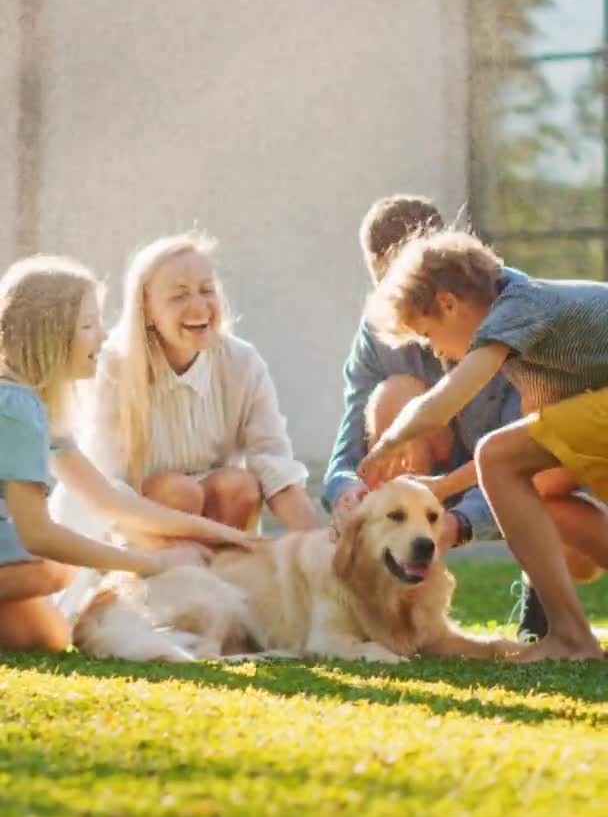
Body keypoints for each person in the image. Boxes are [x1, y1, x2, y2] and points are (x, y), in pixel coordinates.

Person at [359, 228, 608, 662]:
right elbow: (519, 454)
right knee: (541, 488)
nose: (437, 352)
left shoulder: (518, 307)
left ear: (448, 303)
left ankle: (570, 637)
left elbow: (445, 400)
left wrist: (387, 443)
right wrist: (442, 487)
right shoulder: (537, 343)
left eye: (428, 335)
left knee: (501, 456)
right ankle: (570, 634)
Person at [0, 255, 251, 652]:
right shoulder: (14, 405)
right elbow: (38, 534)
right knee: (55, 570)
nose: (101, 336)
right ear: (49, 334)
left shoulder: (35, 407)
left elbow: (112, 502)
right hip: (29, 562)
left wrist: (223, 535)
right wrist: (152, 563)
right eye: (87, 324)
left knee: (50, 637)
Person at [67, 232, 316, 536]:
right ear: (147, 312)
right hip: (140, 521)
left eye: (207, 290)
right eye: (179, 295)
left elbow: (274, 462)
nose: (199, 307)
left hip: (222, 517)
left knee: (238, 485)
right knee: (177, 491)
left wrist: (316, 543)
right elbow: (107, 481)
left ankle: (224, 575)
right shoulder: (113, 367)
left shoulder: (242, 362)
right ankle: (171, 575)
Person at [323, 195, 521, 556]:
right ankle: (405, 568)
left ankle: (537, 592)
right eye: (392, 289)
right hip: (429, 474)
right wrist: (346, 492)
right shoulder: (377, 331)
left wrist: (461, 521)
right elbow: (348, 451)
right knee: (394, 395)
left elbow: (522, 452)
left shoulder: (508, 313)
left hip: (500, 472)